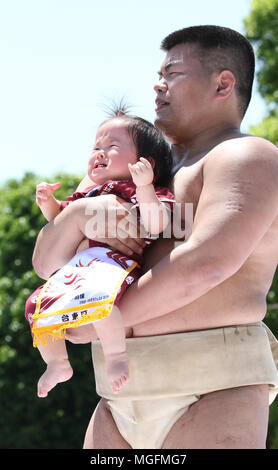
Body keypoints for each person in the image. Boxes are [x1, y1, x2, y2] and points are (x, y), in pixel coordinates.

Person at [32, 25, 278, 449]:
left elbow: (207, 264)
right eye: (158, 73)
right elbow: (47, 264)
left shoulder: (245, 155)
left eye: (173, 72)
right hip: (116, 395)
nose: (157, 83)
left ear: (222, 83)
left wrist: (93, 319)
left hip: (212, 388)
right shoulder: (126, 172)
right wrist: (80, 213)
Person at [25, 113, 174, 397]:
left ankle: (116, 355)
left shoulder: (144, 191)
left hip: (114, 265)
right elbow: (61, 217)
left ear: (146, 164)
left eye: (112, 146)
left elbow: (157, 224)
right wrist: (48, 204)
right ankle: (57, 362)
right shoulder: (89, 193)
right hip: (79, 268)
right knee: (37, 304)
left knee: (100, 302)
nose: (99, 153)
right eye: (96, 147)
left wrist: (144, 187)